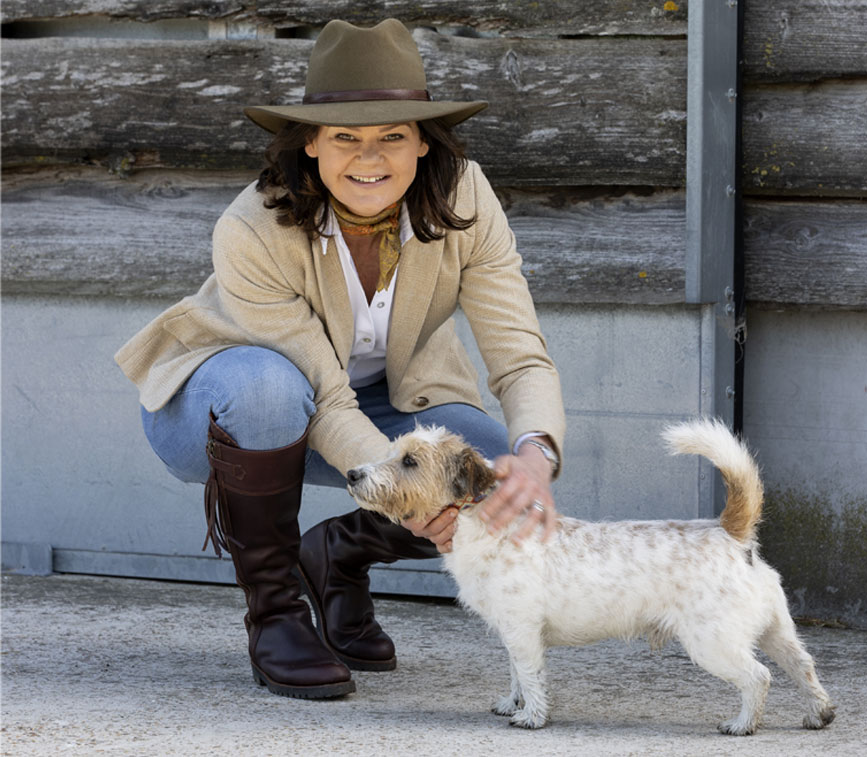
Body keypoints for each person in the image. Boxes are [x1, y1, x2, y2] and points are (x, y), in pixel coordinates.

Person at [115, 18, 565, 700]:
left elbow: (520, 354)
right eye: (345, 137)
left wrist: (535, 456)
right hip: (222, 408)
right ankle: (275, 614)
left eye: (392, 136)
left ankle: (338, 552)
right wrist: (408, 502)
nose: (369, 157)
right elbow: (323, 398)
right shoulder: (251, 227)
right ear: (311, 143)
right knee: (270, 388)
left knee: (496, 475)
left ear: (423, 142)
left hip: (384, 401)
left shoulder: (465, 195)